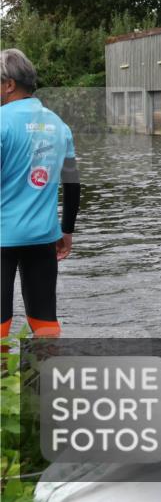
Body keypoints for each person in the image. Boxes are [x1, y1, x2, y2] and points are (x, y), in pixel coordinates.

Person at [1, 49, 80, 338]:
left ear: (9, 84)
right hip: (43, 237)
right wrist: (66, 230)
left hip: (2, 237)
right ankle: (46, 380)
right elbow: (72, 184)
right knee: (44, 321)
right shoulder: (59, 125)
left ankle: (4, 381)